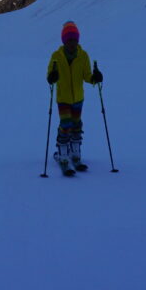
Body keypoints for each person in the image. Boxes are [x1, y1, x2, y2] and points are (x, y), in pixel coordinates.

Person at [45, 20, 104, 176]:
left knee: (77, 124)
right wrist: (52, 77)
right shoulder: (56, 56)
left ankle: (75, 154)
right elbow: (50, 76)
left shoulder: (83, 55)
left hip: (78, 98)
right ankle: (63, 155)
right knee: (66, 125)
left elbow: (87, 76)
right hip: (63, 98)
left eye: (75, 39)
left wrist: (95, 78)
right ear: (64, 40)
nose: (72, 43)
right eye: (69, 40)